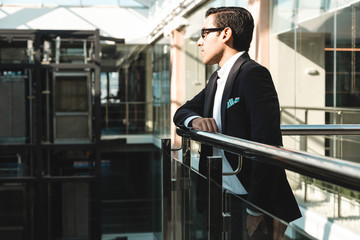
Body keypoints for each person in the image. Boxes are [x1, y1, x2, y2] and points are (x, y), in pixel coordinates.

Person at [173, 6, 301, 239]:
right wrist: (196, 120)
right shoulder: (217, 78)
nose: (199, 42)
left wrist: (255, 208)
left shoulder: (253, 74)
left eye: (204, 33)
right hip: (221, 193)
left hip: (253, 201)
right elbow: (182, 112)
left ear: (225, 34)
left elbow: (266, 143)